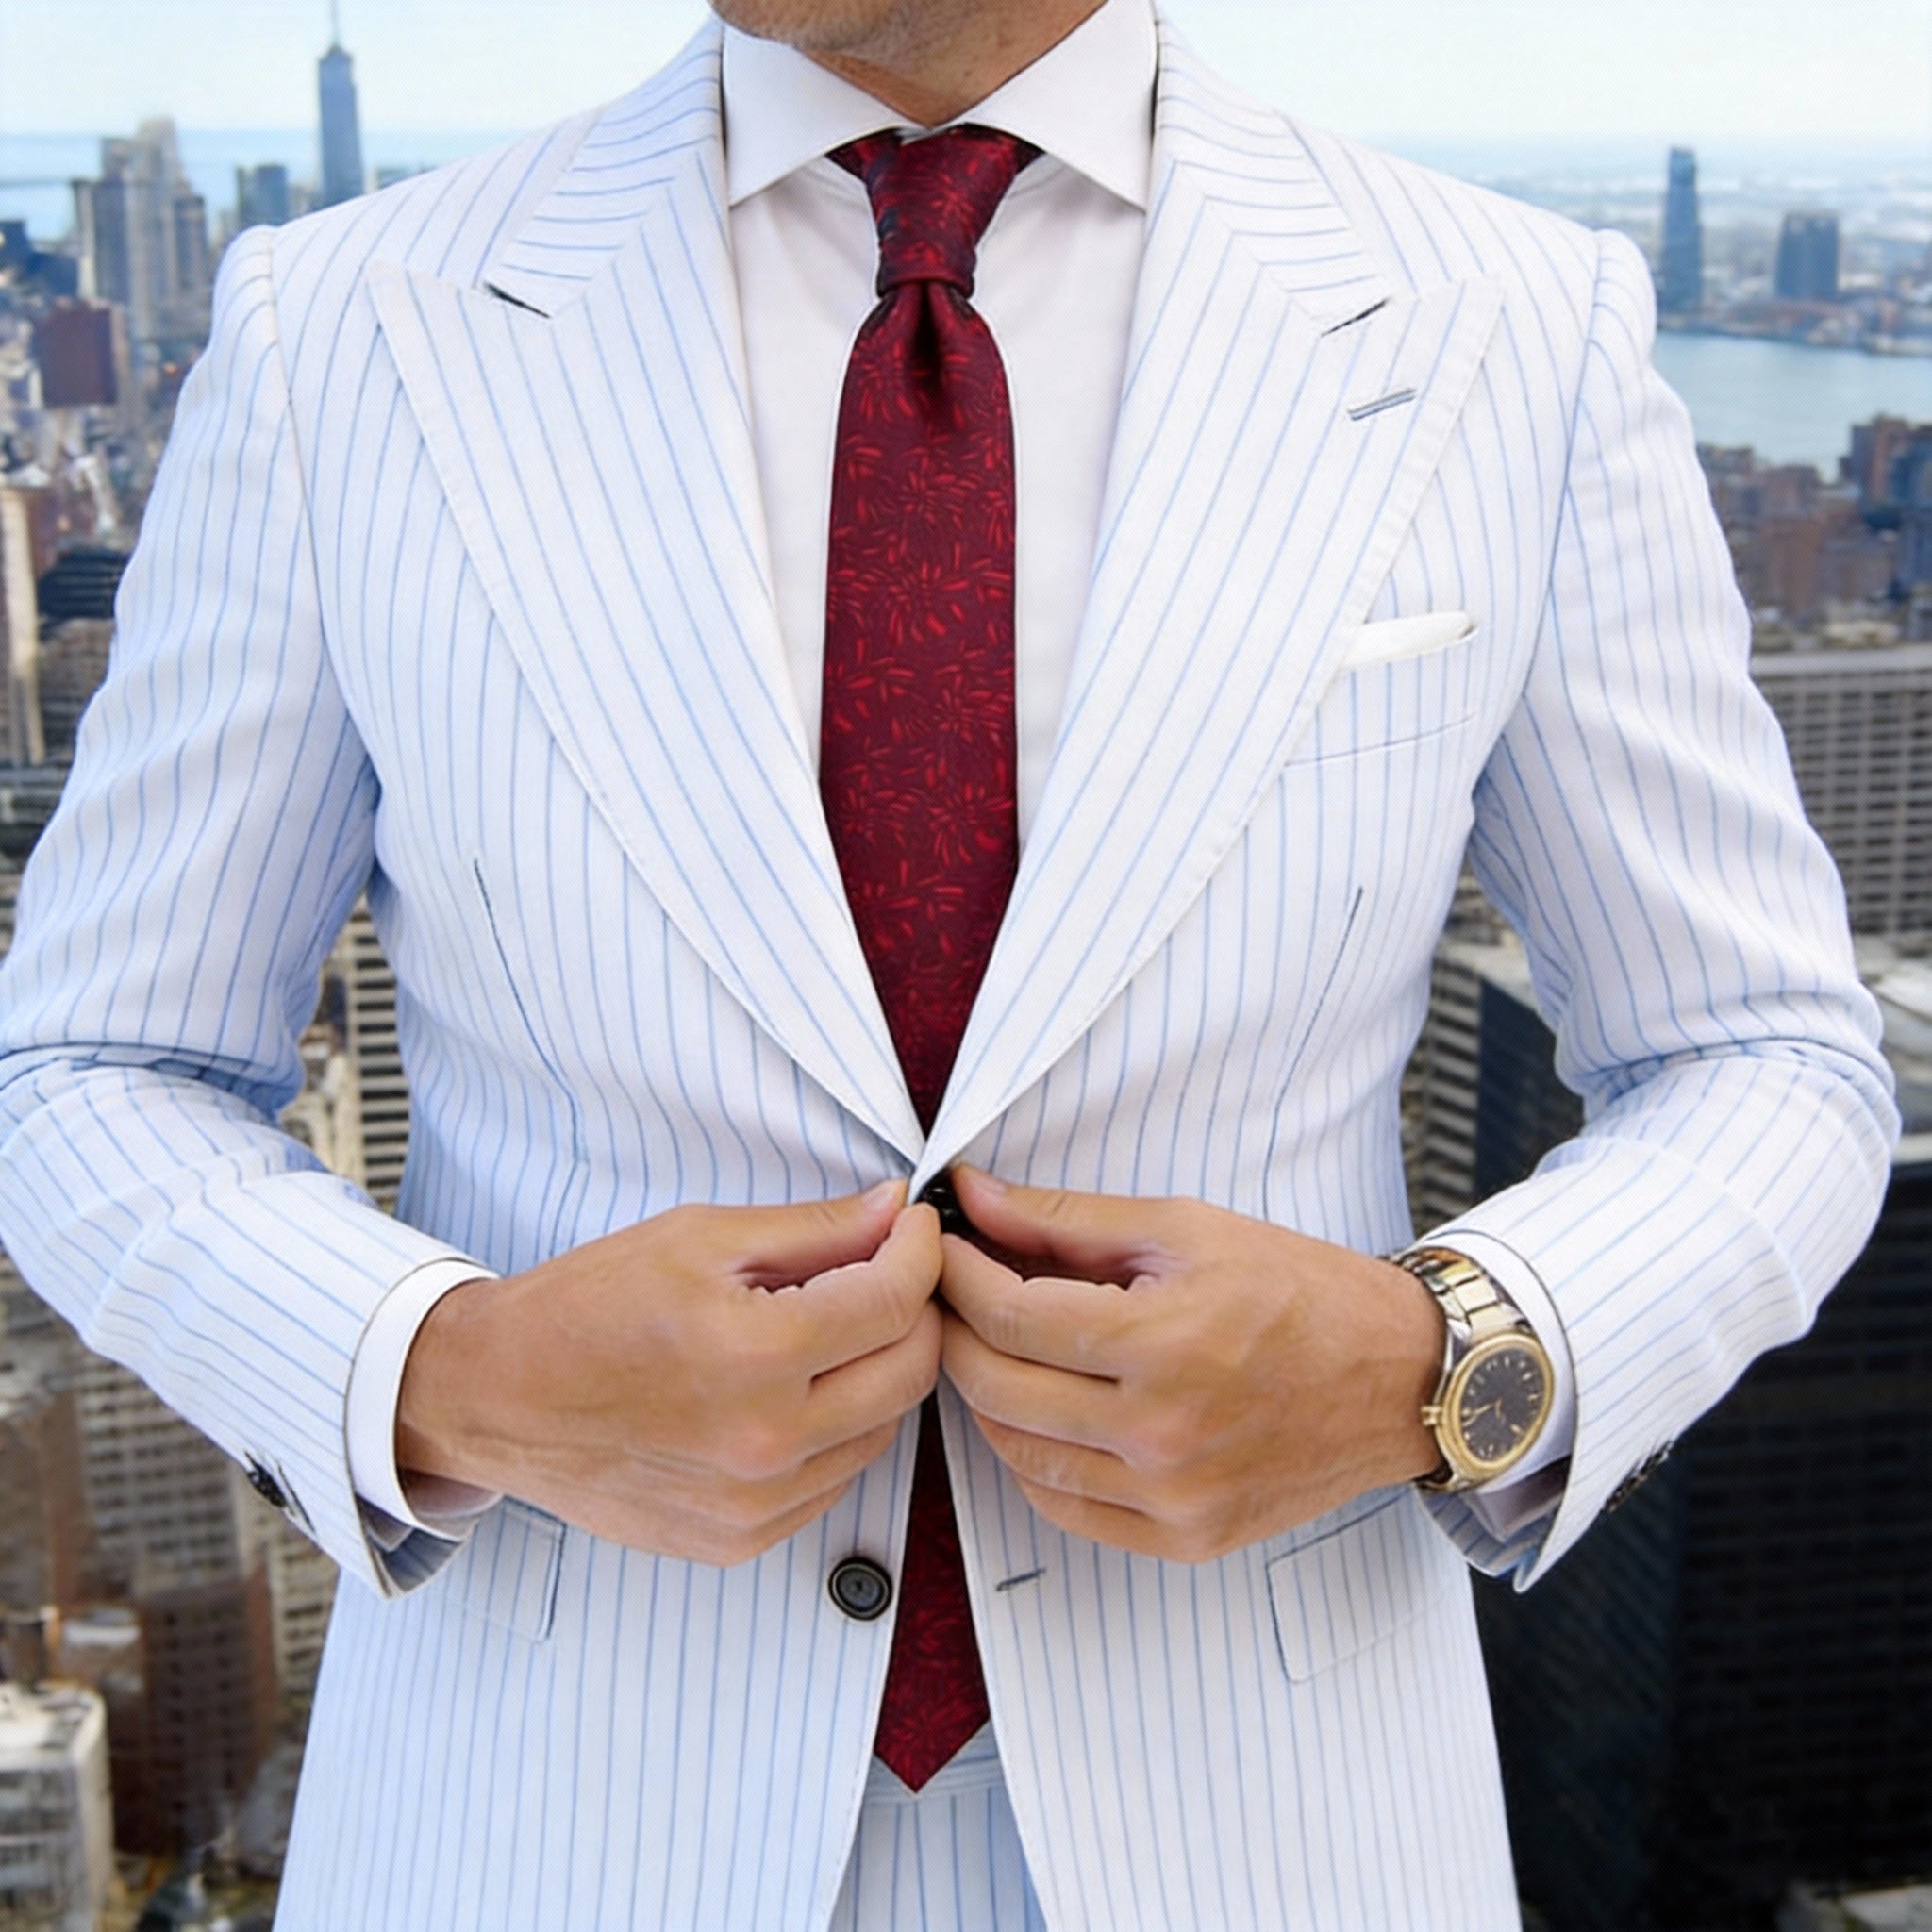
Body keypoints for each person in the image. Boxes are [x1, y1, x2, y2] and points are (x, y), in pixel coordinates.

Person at [0, 0, 1897, 1925]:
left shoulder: (1514, 329)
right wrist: (449, 1377)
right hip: (542, 1819)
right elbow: (91, 1066)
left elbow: (1764, 1057)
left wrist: (1442, 1361)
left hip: (1274, 1826)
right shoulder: (342, 333)